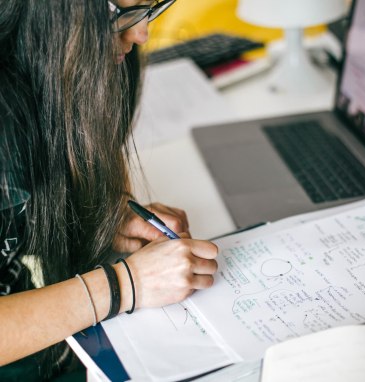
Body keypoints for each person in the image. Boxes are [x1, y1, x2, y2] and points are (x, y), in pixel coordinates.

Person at [0, 0, 218, 379]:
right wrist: (126, 284)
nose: (141, 34)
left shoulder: (78, 67)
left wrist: (107, 214)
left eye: (149, 8)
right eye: (125, 15)